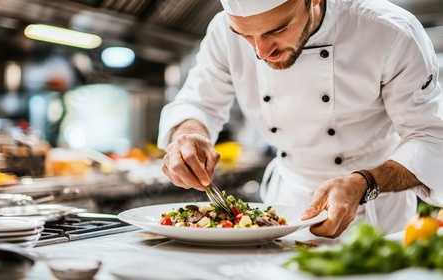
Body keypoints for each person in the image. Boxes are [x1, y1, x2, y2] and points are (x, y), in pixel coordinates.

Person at [157, 0, 443, 238]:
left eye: (278, 30)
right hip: (284, 205)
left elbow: (431, 139)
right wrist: (188, 135)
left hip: (376, 213)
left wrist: (364, 182)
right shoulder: (222, 31)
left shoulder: (390, 32)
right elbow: (197, 102)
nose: (261, 51)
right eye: (245, 36)